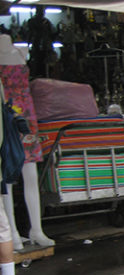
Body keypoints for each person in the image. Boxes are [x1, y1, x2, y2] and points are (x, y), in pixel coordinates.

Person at [0, 34, 54, 251]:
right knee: (8, 178)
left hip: (28, 117)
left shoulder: (21, 52)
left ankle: (36, 229)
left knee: (30, 175)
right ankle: (12, 231)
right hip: (7, 118)